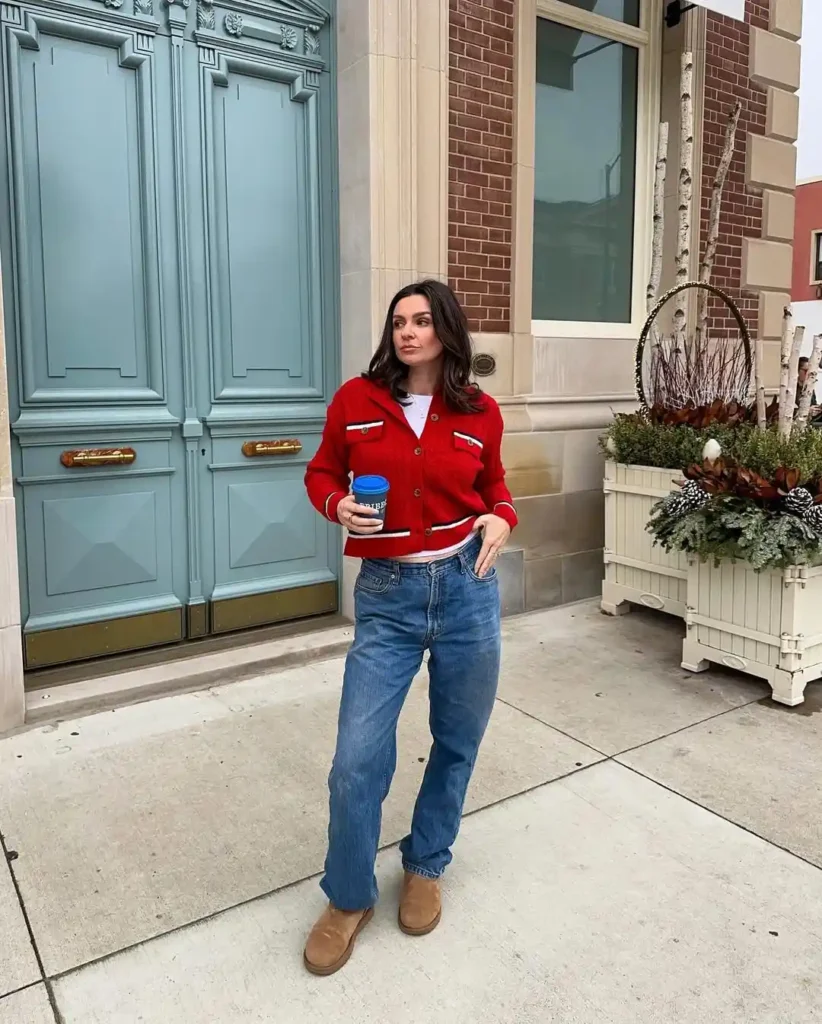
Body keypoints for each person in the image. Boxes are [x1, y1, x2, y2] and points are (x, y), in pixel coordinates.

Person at [302, 279, 517, 976]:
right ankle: (348, 896)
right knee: (356, 759)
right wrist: (338, 505)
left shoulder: (480, 411)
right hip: (389, 596)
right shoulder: (356, 401)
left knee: (457, 740)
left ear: (447, 332)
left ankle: (426, 863)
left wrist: (502, 516)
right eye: (399, 321)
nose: (408, 332)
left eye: (423, 321)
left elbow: (496, 486)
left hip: (467, 586)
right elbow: (321, 473)